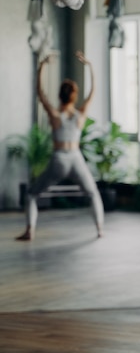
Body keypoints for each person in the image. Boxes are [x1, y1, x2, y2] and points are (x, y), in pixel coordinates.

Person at [16, 51, 104, 241]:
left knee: (31, 194)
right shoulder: (80, 115)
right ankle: (99, 230)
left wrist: (42, 66)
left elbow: (40, 93)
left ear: (60, 95)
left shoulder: (55, 115)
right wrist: (90, 67)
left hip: (59, 159)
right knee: (93, 193)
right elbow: (93, 93)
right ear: (74, 96)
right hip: (76, 157)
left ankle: (30, 231)